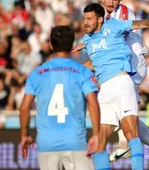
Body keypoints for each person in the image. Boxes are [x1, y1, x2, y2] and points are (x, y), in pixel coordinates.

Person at [73, 3, 149, 170]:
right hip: (104, 90)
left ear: (100, 19)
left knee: (130, 133)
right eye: (84, 19)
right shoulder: (87, 39)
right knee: (99, 141)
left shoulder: (114, 25)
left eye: (89, 19)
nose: (85, 22)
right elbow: (97, 61)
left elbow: (145, 23)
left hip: (122, 84)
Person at [101, 0, 149, 169]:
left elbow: (117, 39)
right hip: (124, 65)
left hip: (131, 63)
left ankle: (124, 144)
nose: (110, 3)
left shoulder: (122, 12)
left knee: (122, 108)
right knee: (127, 111)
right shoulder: (106, 15)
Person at [19, 25, 100, 170]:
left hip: (46, 144)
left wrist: (25, 135)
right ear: (72, 45)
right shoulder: (82, 71)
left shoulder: (37, 73)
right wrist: (96, 134)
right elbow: (93, 103)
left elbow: (24, 107)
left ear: (51, 45)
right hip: (75, 141)